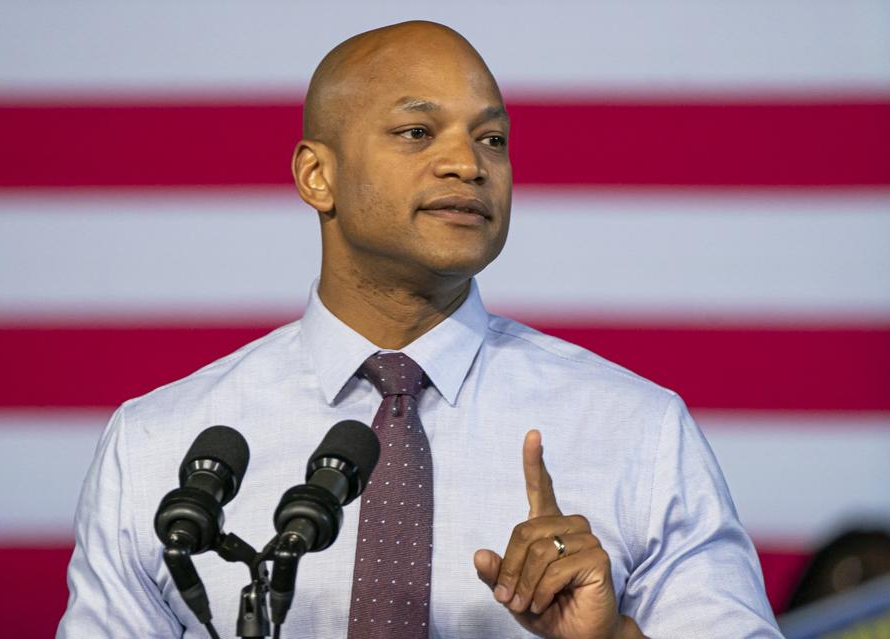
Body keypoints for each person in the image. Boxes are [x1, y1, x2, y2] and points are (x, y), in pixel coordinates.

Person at [58, 21, 782, 638]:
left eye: (492, 139)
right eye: (416, 132)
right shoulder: (158, 442)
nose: (468, 164)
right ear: (317, 176)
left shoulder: (635, 429)